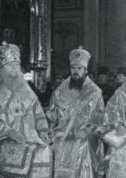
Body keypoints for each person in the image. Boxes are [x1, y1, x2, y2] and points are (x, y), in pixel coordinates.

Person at [0, 42, 52, 178]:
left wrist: (43, 130)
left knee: (46, 150)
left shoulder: (25, 88)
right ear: (1, 68)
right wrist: (9, 132)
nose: (15, 70)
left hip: (29, 137)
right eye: (10, 66)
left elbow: (38, 113)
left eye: (16, 65)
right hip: (1, 140)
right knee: (34, 153)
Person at [47, 46, 105, 178]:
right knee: (54, 145)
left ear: (85, 70)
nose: (75, 72)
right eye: (73, 68)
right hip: (61, 132)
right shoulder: (60, 90)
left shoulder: (95, 92)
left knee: (82, 146)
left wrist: (86, 129)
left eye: (79, 68)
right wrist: (51, 125)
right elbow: (52, 112)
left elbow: (99, 117)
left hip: (85, 134)